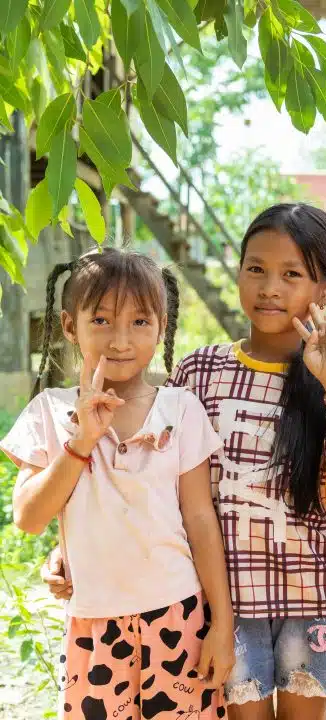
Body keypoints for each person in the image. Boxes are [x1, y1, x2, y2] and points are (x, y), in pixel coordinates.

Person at [42, 204, 326, 720]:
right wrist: (70, 549)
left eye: (292, 275)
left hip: (310, 594)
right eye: (256, 269)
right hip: (226, 600)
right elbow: (154, 484)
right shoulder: (200, 371)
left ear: (324, 290)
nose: (270, 287)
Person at [2, 248, 233, 719]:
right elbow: (27, 518)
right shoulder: (50, 412)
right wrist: (80, 441)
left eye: (140, 322)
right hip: (92, 623)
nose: (121, 340)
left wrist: (222, 624)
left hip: (178, 616)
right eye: (103, 320)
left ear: (162, 326)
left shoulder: (181, 409)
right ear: (70, 326)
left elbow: (200, 520)